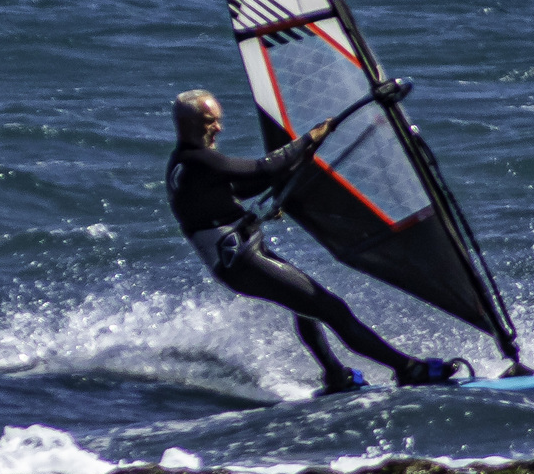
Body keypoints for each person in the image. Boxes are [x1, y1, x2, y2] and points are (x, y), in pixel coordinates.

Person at [165, 88, 462, 394]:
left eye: (218, 120)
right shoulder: (199, 161)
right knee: (331, 309)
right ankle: (408, 369)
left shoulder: (186, 164)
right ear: (187, 123)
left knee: (305, 307)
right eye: (210, 121)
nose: (219, 128)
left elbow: (241, 189)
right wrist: (310, 138)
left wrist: (295, 164)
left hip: (241, 256)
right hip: (241, 261)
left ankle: (335, 376)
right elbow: (264, 168)